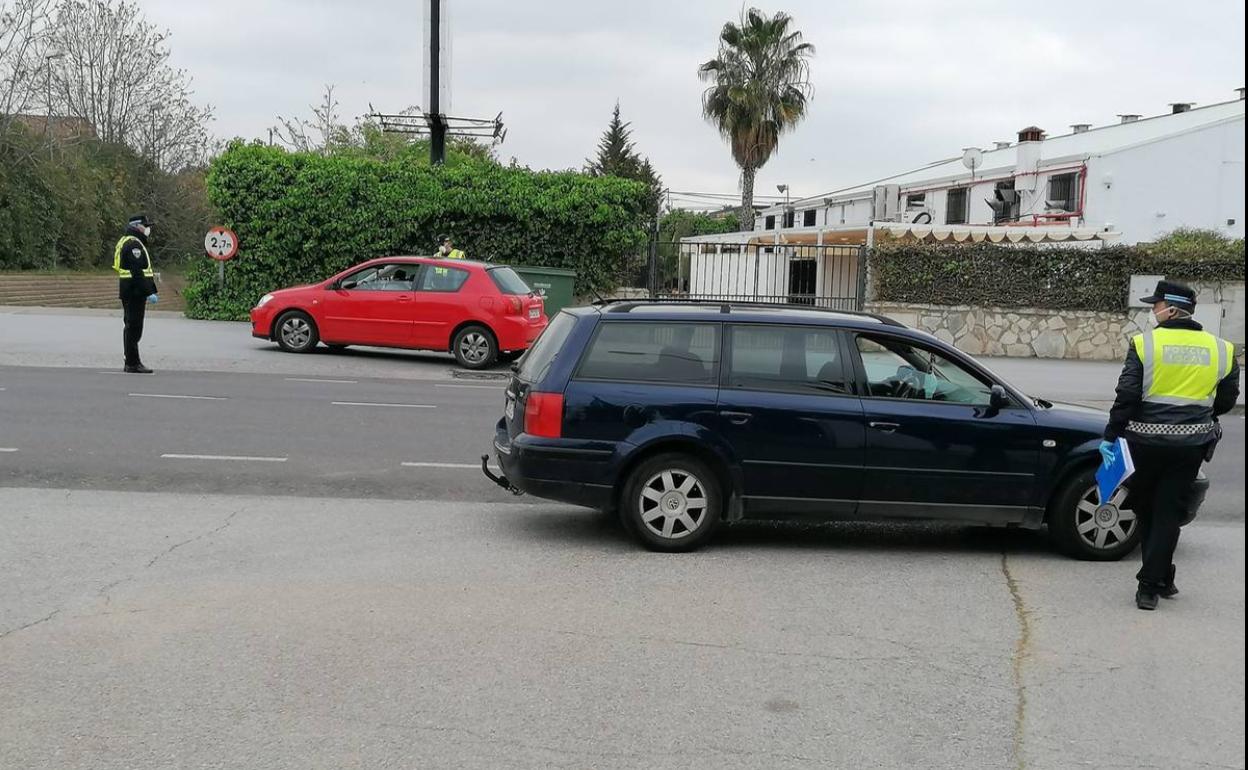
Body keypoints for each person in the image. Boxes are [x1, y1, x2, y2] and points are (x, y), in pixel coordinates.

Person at [1102, 280, 1240, 610]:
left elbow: (1127, 395)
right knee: (1166, 510)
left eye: (1156, 306)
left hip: (1144, 442)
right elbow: (1227, 400)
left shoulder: (1145, 344)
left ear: (1172, 309)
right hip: (1190, 447)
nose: (1153, 312)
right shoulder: (1222, 348)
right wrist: (1196, 415)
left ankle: (1148, 587)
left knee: (1148, 508)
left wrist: (1111, 434)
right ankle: (1162, 576)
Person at [114, 214, 159, 374]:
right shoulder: (133, 245)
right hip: (134, 292)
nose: (148, 229)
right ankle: (132, 363)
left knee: (132, 327)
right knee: (134, 327)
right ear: (137, 226)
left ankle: (132, 360)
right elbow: (138, 272)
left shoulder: (131, 241)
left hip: (131, 290)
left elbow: (144, 271)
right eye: (145, 226)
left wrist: (151, 289)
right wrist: (149, 292)